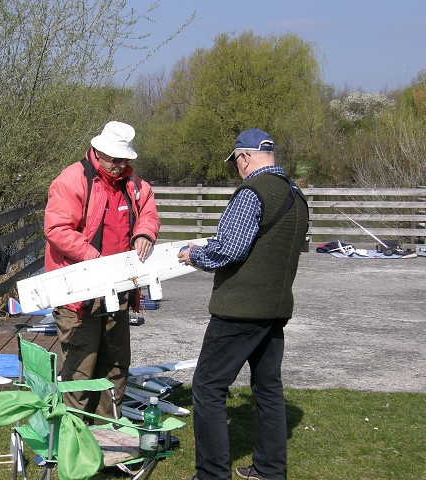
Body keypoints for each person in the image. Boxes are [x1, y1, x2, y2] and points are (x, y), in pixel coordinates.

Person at [177, 129, 308, 480]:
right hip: (276, 309)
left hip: (239, 310)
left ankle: (211, 475)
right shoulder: (296, 195)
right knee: (268, 389)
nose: (237, 168)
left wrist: (193, 254)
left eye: (236, 161)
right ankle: (269, 470)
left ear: (244, 157)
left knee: (207, 387)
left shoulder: (251, 193)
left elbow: (227, 250)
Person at [44, 121, 160, 419]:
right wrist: (94, 258)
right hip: (78, 295)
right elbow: (56, 228)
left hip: (118, 291)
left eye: (126, 160)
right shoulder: (71, 181)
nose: (121, 166)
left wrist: (145, 233)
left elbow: (148, 210)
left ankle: (108, 433)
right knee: (81, 369)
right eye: (116, 160)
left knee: (116, 365)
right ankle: (73, 440)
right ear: (99, 151)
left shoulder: (133, 185)